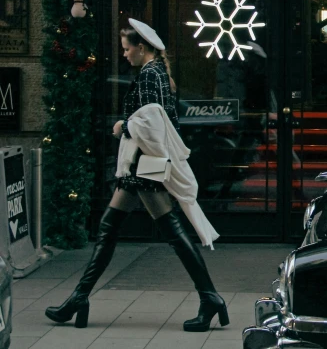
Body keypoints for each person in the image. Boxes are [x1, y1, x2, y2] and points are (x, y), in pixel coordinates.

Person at [45, 19, 229, 332]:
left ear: (141, 47)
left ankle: (210, 297)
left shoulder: (148, 75)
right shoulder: (156, 73)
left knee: (161, 230)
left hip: (146, 167)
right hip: (144, 166)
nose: (125, 54)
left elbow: (151, 126)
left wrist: (123, 127)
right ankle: (79, 297)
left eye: (127, 49)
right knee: (111, 227)